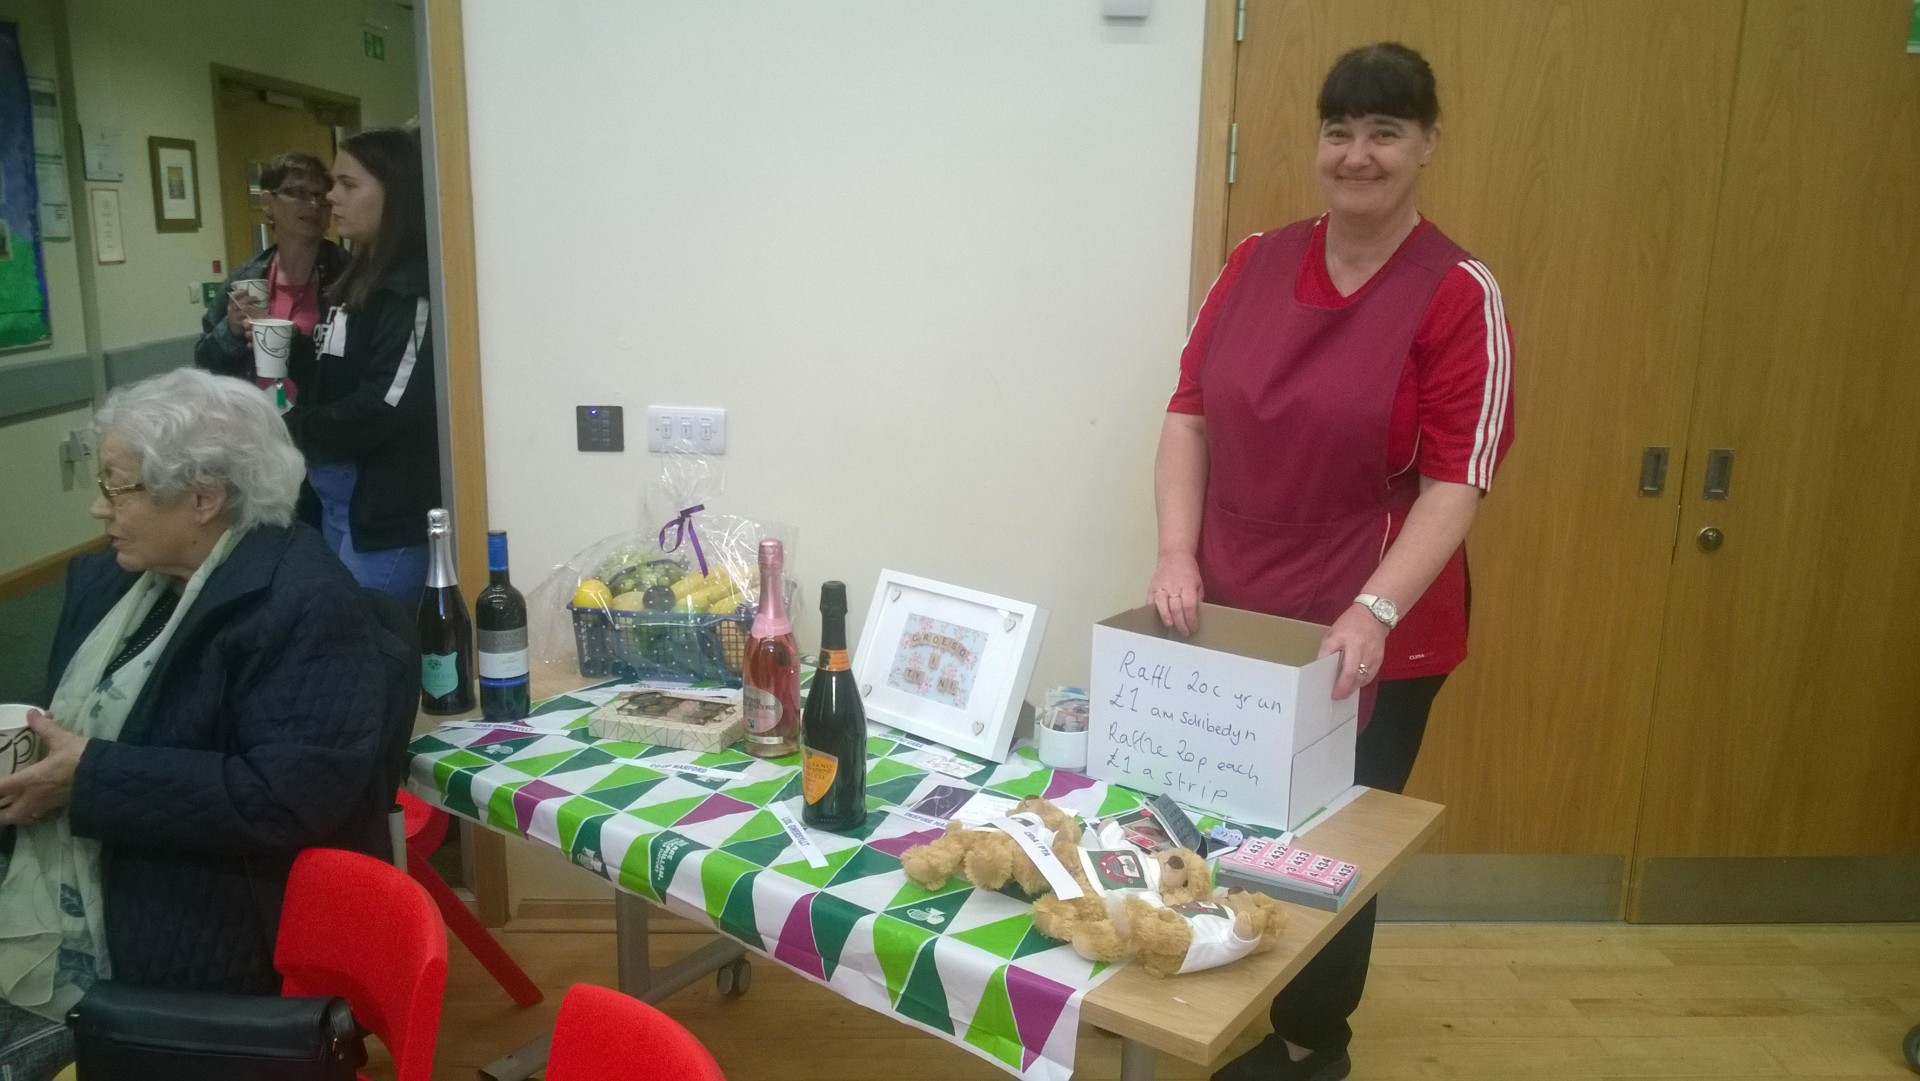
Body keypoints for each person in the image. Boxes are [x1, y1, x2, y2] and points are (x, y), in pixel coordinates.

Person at [1150, 44, 1515, 1081]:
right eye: (1340, 131)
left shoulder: (1457, 292)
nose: (1358, 155)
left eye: (1385, 132)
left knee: (1330, 843)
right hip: (1237, 602)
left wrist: (1374, 610)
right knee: (1219, 817)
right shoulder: (1255, 261)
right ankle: (1214, 994)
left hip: (1374, 621)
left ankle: (1314, 1041)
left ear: (1427, 143)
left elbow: (1457, 481)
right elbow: (1188, 414)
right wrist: (1176, 549)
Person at [0, 368, 408, 1081]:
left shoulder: (302, 603)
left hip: (211, 931)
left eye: (119, 489)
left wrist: (86, 777)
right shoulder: (118, 579)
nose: (98, 508)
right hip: (103, 879)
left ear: (203, 496)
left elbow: (286, 798)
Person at [283, 127, 441, 606]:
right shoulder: (359, 275)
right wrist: (288, 347)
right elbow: (335, 373)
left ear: (397, 195)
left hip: (384, 512)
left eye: (348, 185)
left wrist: (297, 427)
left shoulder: (409, 288)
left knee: (365, 636)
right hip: (338, 500)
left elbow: (385, 405)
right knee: (338, 626)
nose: (330, 197)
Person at [194, 151, 349, 404]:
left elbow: (357, 369)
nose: (313, 204)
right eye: (298, 192)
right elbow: (204, 365)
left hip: (322, 419)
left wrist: (295, 344)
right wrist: (230, 331)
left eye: (321, 196)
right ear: (268, 203)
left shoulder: (349, 276)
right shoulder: (245, 278)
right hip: (258, 418)